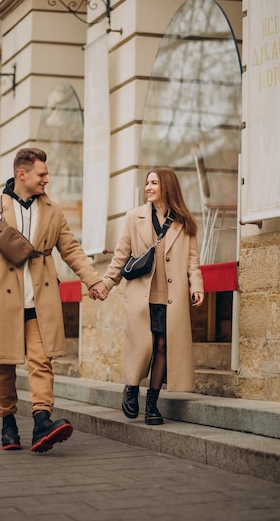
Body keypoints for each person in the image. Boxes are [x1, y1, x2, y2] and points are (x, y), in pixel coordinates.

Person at [0, 147, 108, 453]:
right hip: (2, 301)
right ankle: (8, 423)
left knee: (41, 362)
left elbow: (71, 249)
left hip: (40, 300)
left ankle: (42, 421)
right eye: (42, 174)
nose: (47, 179)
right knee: (4, 366)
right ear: (23, 174)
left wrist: (93, 279)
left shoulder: (53, 210)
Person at [102, 167, 204, 425]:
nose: (148, 187)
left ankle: (152, 403)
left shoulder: (185, 223)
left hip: (171, 297)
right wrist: (106, 283)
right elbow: (120, 256)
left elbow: (193, 261)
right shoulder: (133, 217)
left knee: (161, 347)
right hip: (141, 296)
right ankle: (132, 388)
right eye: (147, 182)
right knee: (143, 345)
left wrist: (197, 286)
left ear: (167, 186)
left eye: (154, 182)